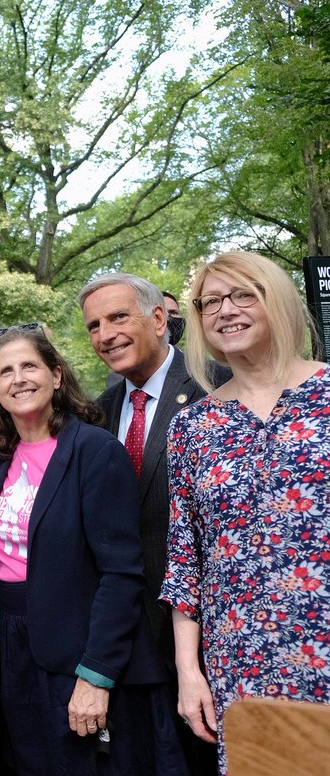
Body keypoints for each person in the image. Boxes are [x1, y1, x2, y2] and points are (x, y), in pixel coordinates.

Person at [0, 328, 187, 775]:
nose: (18, 379)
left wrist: (96, 675)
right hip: (17, 646)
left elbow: (122, 573)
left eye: (29, 366)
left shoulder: (95, 450)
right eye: (5, 371)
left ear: (55, 374)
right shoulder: (2, 456)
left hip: (79, 647)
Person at [161, 251, 330, 774]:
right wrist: (189, 671)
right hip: (244, 661)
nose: (225, 310)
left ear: (275, 299)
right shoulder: (192, 428)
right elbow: (185, 560)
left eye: (242, 294)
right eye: (210, 301)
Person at [80, 273, 221, 773]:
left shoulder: (215, 387)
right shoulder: (99, 412)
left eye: (118, 317)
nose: (105, 334)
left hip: (206, 633)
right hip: (131, 639)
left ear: (159, 319)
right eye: (94, 325)